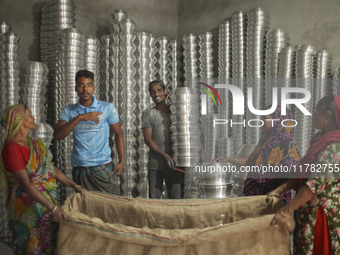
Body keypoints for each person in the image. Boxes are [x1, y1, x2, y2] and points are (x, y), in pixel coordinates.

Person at [0, 104, 86, 254]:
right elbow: (26, 185)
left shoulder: (36, 144)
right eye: (29, 116)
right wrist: (52, 207)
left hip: (45, 207)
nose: (34, 118)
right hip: (28, 210)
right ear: (19, 122)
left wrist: (74, 185)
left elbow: (50, 168)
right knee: (33, 247)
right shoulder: (12, 149)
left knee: (50, 246)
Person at [269, 95, 340, 254]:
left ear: (328, 114)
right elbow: (304, 170)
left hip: (320, 216)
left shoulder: (335, 147)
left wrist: (285, 210)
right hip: (307, 211)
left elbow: (313, 186)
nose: (313, 115)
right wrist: (283, 188)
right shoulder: (320, 139)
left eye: (317, 111)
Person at [54, 70, 124, 195]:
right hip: (80, 168)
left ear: (94, 87)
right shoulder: (69, 110)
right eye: (81, 85)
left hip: (102, 166)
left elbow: (118, 135)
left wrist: (122, 161)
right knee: (85, 209)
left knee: (110, 207)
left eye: (89, 84)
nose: (85, 89)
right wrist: (80, 118)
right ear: (75, 88)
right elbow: (58, 135)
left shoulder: (107, 108)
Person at [214, 106, 300, 202]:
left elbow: (294, 173)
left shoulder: (287, 143)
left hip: (271, 199)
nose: (261, 121)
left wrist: (278, 191)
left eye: (266, 118)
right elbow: (252, 161)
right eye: (261, 117)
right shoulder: (267, 140)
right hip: (257, 197)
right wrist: (228, 159)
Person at [142, 79, 182, 199]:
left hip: (174, 164)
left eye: (159, 90)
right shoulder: (148, 113)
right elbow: (148, 139)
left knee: (176, 199)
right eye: (153, 92)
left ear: (165, 91)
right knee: (154, 200)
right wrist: (164, 155)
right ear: (150, 94)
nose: (156, 94)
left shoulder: (175, 111)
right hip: (156, 165)